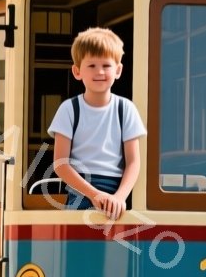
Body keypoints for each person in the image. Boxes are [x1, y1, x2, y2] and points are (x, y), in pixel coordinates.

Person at [48, 27, 145, 220]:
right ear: (77, 71)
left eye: (106, 66)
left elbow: (133, 162)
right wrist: (94, 195)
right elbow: (60, 163)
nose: (99, 71)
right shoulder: (69, 109)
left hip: (117, 191)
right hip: (80, 191)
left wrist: (119, 197)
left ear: (118, 70)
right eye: (91, 65)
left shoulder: (126, 109)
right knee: (78, 248)